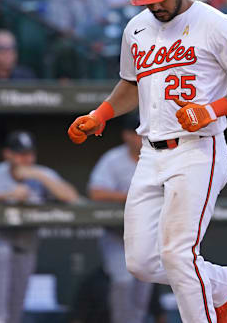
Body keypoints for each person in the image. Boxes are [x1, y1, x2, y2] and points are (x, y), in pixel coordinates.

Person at [67, 0, 227, 323]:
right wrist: (101, 115)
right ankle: (223, 283)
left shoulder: (216, 23)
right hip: (150, 152)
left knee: (178, 255)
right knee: (142, 263)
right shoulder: (136, 28)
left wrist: (211, 109)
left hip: (199, 149)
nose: (155, 6)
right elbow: (131, 83)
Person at [0, 130, 80, 323]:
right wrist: (7, 195)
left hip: (25, 244)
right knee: (1, 253)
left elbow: (71, 197)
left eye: (29, 154)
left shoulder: (41, 174)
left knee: (16, 307)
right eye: (21, 154)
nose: (26, 159)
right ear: (8, 154)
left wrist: (38, 175)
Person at [88, 115, 153, 323]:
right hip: (118, 234)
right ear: (126, 135)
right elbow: (96, 192)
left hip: (148, 234)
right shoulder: (113, 159)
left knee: (144, 286)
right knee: (123, 282)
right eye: (137, 132)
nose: (141, 136)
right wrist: (129, 196)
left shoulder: (157, 156)